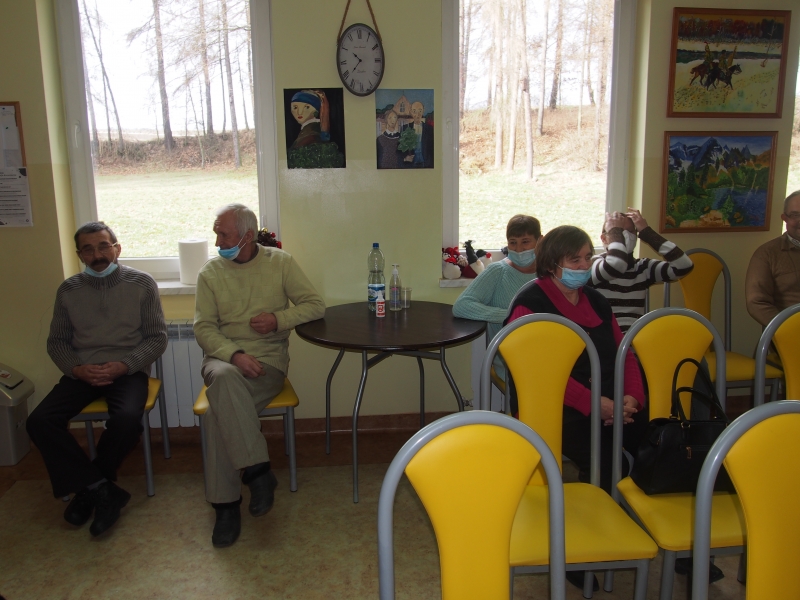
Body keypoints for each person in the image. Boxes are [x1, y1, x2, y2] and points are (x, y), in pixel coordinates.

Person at [194, 204, 325, 548]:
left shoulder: (280, 263)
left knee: (215, 415)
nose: (217, 241)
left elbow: (314, 305)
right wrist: (235, 355)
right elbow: (203, 328)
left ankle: (225, 507)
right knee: (224, 379)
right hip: (222, 360)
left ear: (248, 236)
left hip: (267, 363)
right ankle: (257, 471)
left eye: (224, 234)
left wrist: (278, 320)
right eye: (216, 233)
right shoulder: (210, 272)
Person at [26, 222, 167, 537]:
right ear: (80, 255)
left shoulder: (142, 283)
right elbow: (57, 342)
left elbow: (157, 338)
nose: (97, 254)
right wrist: (76, 369)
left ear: (117, 248)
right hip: (82, 371)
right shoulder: (68, 290)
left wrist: (124, 365)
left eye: (104, 246)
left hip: (127, 370)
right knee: (39, 421)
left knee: (127, 419)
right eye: (88, 249)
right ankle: (101, 488)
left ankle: (89, 488)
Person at [452, 215, 541, 393]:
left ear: (540, 241)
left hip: (547, 354)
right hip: (511, 362)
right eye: (513, 243)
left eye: (525, 242)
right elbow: (461, 306)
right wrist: (512, 316)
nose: (519, 249)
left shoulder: (550, 272)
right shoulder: (498, 271)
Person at [590, 208, 693, 332]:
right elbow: (615, 265)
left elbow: (684, 266)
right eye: (619, 231)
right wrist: (614, 233)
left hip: (635, 335)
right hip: (605, 335)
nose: (625, 235)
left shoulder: (643, 267)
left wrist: (647, 232)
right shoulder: (594, 263)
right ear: (604, 239)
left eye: (630, 231)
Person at [746, 190, 800, 327]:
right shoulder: (767, 253)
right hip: (788, 333)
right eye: (795, 215)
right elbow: (756, 302)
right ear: (784, 218)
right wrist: (787, 329)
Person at [402, 101, 434, 168]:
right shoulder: (405, 128)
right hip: (411, 164)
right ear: (411, 112)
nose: (417, 114)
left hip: (426, 164)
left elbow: (432, 149)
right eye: (414, 111)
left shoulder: (430, 129)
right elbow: (400, 149)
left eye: (420, 111)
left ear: (423, 111)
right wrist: (405, 158)